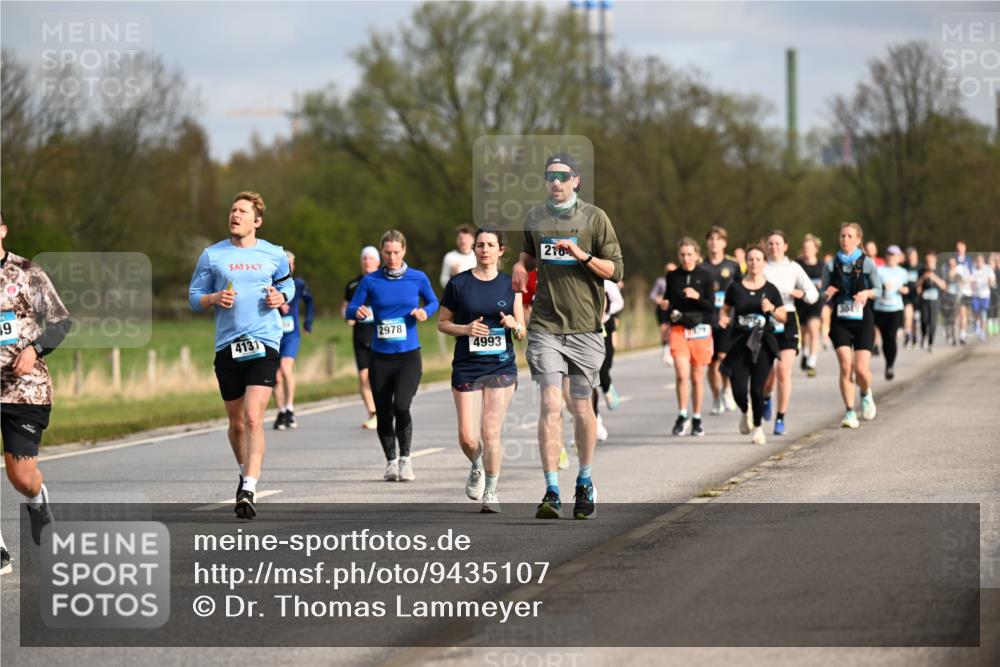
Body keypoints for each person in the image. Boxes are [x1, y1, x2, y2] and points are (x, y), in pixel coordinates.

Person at [511, 153, 624, 520]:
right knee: (549, 404)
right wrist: (518, 265)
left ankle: (585, 480)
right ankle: (552, 490)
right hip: (545, 327)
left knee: (580, 407)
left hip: (586, 330)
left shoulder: (595, 218)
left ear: (576, 180)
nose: (556, 183)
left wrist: (581, 255)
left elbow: (616, 271)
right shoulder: (535, 217)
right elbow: (528, 256)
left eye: (563, 176)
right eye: (549, 177)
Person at [189, 191, 295, 519]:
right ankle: (243, 471)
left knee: (252, 417)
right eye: (232, 210)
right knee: (235, 424)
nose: (235, 215)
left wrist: (280, 296)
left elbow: (288, 286)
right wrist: (214, 298)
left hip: (264, 341)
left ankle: (249, 487)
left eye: (242, 211)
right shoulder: (212, 255)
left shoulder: (274, 254)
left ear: (257, 221)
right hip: (228, 346)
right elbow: (194, 296)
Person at [1, 212, 72, 574]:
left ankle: (36, 500)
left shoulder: (27, 272)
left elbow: (62, 322)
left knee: (22, 476)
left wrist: (34, 350)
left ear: (2, 231)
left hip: (24, 390)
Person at [438, 225, 526, 513]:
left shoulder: (510, 285)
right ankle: (476, 464)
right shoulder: (458, 284)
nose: (484, 249)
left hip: (501, 364)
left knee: (491, 430)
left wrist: (514, 325)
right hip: (467, 365)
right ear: (473, 249)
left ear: (501, 250)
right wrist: (465, 328)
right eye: (480, 245)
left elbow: (522, 328)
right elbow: (442, 323)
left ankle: (491, 491)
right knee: (467, 436)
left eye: (490, 245)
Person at [346, 230, 438, 482]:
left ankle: (406, 459)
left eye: (396, 252)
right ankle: (391, 461)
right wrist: (359, 311)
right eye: (387, 252)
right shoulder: (371, 280)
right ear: (381, 253)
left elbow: (433, 302)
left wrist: (424, 312)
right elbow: (351, 309)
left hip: (409, 356)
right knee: (384, 411)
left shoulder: (417, 277)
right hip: (380, 357)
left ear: (404, 251)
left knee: (402, 406)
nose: (392, 257)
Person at [720, 245, 786, 445]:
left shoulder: (770, 289)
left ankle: (757, 427)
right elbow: (725, 309)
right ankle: (745, 410)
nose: (754, 263)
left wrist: (772, 308)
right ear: (745, 262)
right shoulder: (735, 287)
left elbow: (783, 317)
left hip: (763, 343)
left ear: (764, 263)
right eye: (750, 259)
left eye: (758, 259)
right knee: (739, 389)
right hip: (740, 341)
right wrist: (723, 319)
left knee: (757, 389)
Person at [822, 222, 882, 429]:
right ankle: (849, 412)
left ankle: (865, 394)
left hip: (863, 319)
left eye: (849, 236)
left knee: (861, 370)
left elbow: (880, 290)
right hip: (840, 320)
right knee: (846, 367)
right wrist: (826, 294)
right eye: (842, 236)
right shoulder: (830, 265)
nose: (845, 239)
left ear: (858, 239)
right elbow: (823, 292)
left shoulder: (867, 263)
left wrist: (867, 293)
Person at [760, 231, 819, 435]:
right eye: (771, 243)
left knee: (783, 372)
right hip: (767, 323)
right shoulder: (761, 266)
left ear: (785, 246)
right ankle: (767, 397)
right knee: (768, 378)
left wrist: (800, 294)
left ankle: (780, 418)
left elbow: (813, 294)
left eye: (778, 243)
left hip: (789, 320)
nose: (774, 247)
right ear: (766, 246)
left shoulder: (794, 268)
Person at [662, 237, 715, 437]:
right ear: (678, 255)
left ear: (697, 254)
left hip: (700, 329)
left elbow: (711, 306)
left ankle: (697, 418)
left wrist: (697, 296)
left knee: (696, 377)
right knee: (682, 374)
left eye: (689, 254)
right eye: (682, 255)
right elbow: (667, 299)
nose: (686, 258)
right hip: (678, 329)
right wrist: (665, 308)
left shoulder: (705, 275)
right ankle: (682, 414)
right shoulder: (672, 276)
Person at [699, 226, 742, 415]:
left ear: (724, 242)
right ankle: (716, 396)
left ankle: (727, 390)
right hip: (708, 320)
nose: (714, 242)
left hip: (728, 319)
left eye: (718, 239)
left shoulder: (732, 266)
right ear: (707, 242)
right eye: (711, 239)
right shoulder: (701, 267)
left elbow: (741, 292)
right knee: (711, 362)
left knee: (725, 358)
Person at [273, 250, 314, 430]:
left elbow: (310, 301)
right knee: (275, 377)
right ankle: (282, 411)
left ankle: (290, 407)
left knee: (285, 368)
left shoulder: (299, 284)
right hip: (273, 336)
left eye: (292, 264)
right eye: (285, 264)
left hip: (291, 335)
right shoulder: (270, 284)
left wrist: (308, 322)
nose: (289, 267)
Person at [343, 246, 381, 429]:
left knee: (381, 376)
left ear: (378, 262)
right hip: (360, 336)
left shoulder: (384, 282)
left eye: (371, 258)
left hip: (381, 336)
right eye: (364, 259)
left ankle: (385, 408)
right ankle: (373, 413)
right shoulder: (352, 285)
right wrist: (349, 316)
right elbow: (344, 308)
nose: (367, 262)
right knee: (363, 376)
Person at [874, 245, 909, 380]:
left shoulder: (902, 272)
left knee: (891, 337)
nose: (891, 257)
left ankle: (890, 365)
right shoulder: (879, 270)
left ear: (898, 257)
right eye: (889, 254)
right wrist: (882, 287)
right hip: (880, 308)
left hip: (895, 309)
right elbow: (873, 285)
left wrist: (905, 290)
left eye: (894, 255)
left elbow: (909, 289)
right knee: (884, 339)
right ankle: (888, 362)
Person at [795, 234, 825, 377]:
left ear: (816, 249)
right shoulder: (797, 265)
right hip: (800, 304)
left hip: (815, 303)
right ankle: (806, 354)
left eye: (809, 248)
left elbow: (828, 284)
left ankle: (812, 363)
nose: (806, 250)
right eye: (805, 248)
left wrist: (823, 286)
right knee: (804, 331)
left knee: (814, 330)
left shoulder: (822, 266)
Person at [916, 251, 946, 352]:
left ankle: (931, 343)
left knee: (933, 322)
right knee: (924, 320)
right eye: (927, 261)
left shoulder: (939, 271)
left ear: (935, 260)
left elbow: (944, 286)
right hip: (924, 300)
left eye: (931, 261)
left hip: (935, 300)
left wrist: (934, 278)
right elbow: (918, 289)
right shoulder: (921, 271)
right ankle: (924, 335)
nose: (929, 263)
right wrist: (923, 279)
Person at [440, 224, 478, 289]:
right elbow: (443, 282)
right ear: (456, 240)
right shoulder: (449, 257)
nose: (463, 241)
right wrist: (453, 277)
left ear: (473, 240)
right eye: (460, 238)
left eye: (467, 238)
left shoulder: (478, 256)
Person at [649, 264, 673, 364]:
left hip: (673, 308)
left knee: (671, 329)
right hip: (662, 309)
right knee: (664, 329)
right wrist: (660, 300)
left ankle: (672, 350)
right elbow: (653, 295)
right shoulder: (661, 281)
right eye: (668, 270)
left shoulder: (679, 281)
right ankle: (665, 350)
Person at [970, 253, 996, 341]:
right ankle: (976, 325)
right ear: (976, 262)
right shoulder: (973, 268)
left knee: (984, 314)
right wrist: (972, 286)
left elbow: (992, 279)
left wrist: (991, 282)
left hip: (985, 295)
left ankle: (982, 332)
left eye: (981, 261)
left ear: (983, 261)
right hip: (976, 295)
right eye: (977, 261)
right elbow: (971, 280)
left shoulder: (988, 268)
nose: (979, 263)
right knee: (976, 313)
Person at [903, 247, 921, 348]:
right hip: (907, 297)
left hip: (917, 297)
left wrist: (921, 287)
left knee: (915, 319)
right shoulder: (904, 267)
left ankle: (915, 336)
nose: (912, 257)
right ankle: (908, 336)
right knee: (907, 316)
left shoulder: (920, 268)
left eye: (913, 255)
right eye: (910, 255)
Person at [942, 256, 963, 346]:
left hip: (955, 299)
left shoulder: (958, 275)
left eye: (953, 263)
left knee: (955, 319)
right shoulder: (945, 275)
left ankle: (954, 337)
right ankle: (948, 333)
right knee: (947, 318)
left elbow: (961, 287)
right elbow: (943, 287)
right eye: (950, 263)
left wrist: (959, 296)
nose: (952, 265)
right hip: (946, 299)